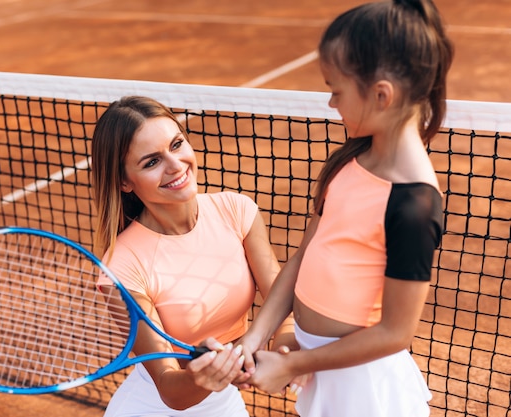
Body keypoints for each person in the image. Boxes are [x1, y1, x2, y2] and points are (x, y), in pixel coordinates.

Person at [233, 0, 454, 416]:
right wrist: (253, 337)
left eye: (336, 90)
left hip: (366, 393)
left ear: (381, 95)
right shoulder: (349, 161)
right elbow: (302, 258)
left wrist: (294, 364)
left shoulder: (413, 205)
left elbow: (394, 332)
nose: (332, 104)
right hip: (323, 373)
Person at [90, 95, 295, 416]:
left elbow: (282, 304)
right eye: (151, 162)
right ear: (124, 182)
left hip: (223, 402)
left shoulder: (237, 212)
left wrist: (285, 349)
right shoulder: (122, 268)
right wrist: (208, 377)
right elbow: (171, 390)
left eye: (176, 144)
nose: (175, 166)